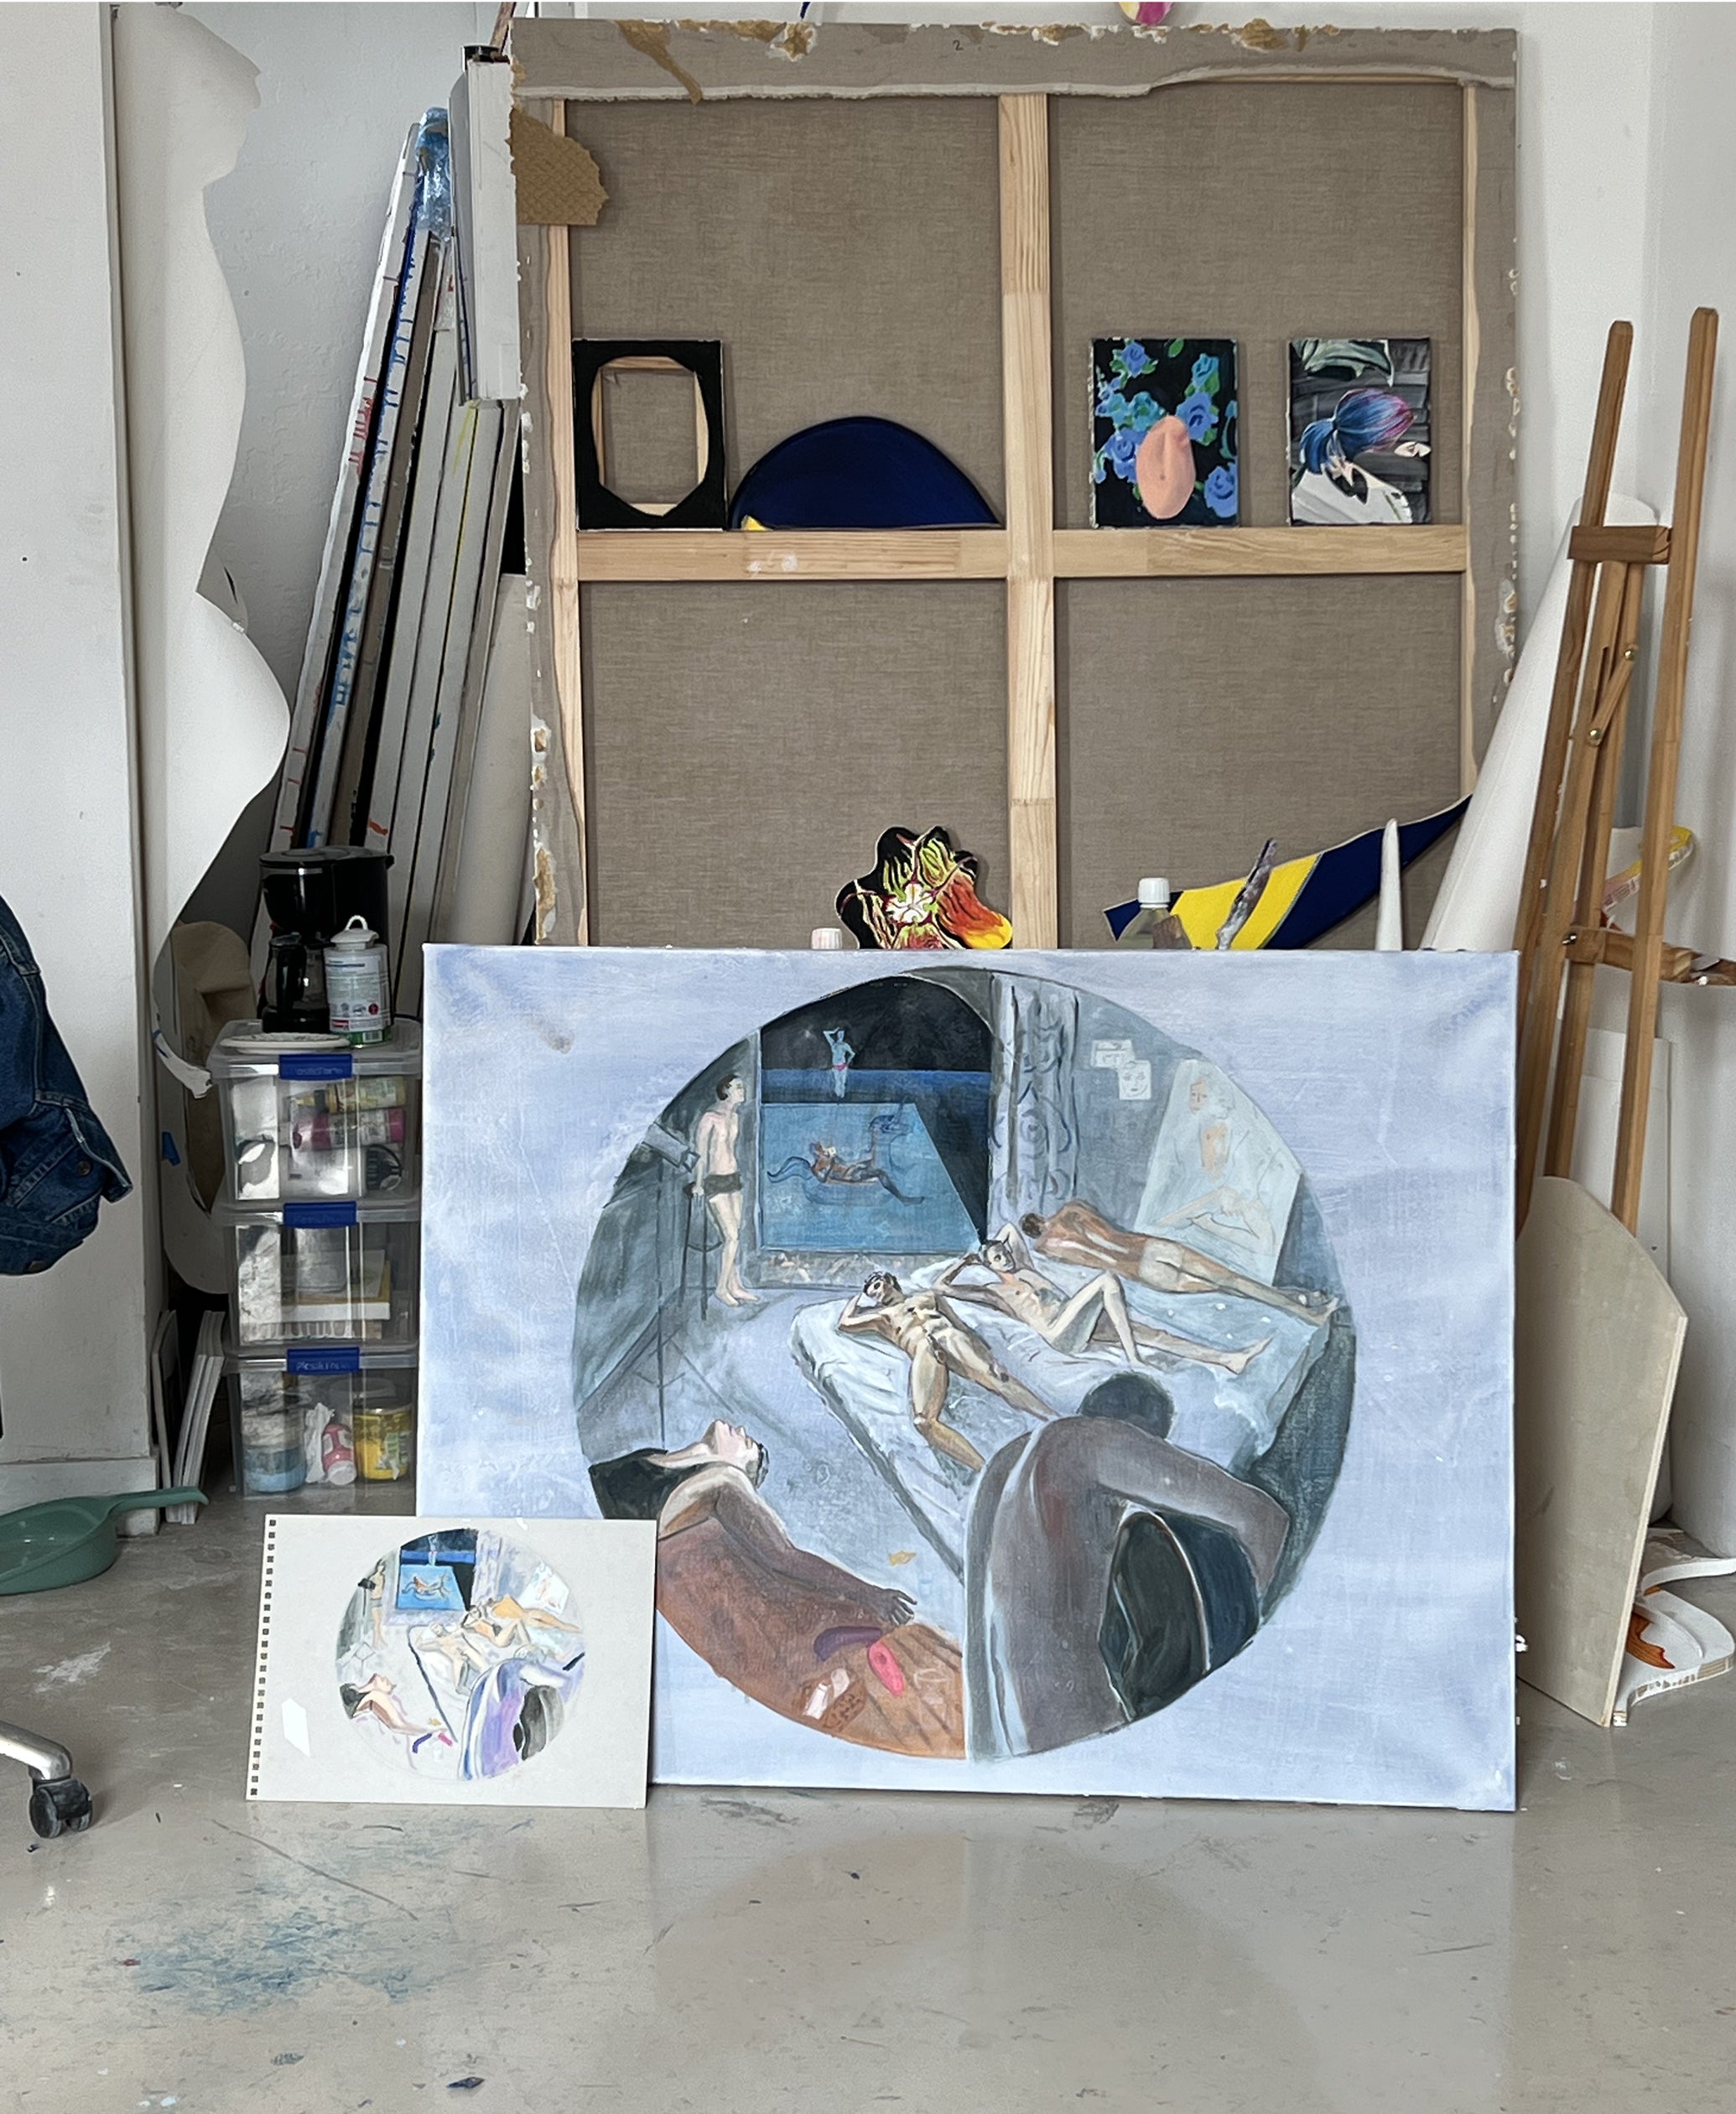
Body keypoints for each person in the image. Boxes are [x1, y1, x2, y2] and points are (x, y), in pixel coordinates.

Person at [590, 1420, 964, 1759]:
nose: (743, 1432)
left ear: (743, 1469)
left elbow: (784, 1558)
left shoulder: (724, 1481)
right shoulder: (644, 1472)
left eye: (750, 1447)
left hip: (792, 1646)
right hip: (771, 1650)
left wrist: (870, 1595)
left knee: (929, 1686)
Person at [969, 1370, 1291, 1756]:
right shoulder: (1090, 1442)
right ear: (1136, 1433)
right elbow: (1263, 1518)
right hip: (1074, 1727)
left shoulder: (1002, 1468)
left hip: (999, 1743)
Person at [938, 1228, 1270, 1377]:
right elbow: (941, 1286)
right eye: (999, 1258)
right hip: (1059, 1333)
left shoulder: (1025, 1267)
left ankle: (1229, 1359)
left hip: (1078, 1321)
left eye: (1005, 1253)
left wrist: (993, 1247)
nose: (1007, 1258)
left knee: (1154, 1334)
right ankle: (1133, 1358)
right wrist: (968, 1262)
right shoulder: (994, 1292)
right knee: (1107, 1281)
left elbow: (1011, 1229)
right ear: (990, 1267)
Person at [836, 1272, 1057, 1474]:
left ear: (889, 1281)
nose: (875, 1293)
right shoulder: (881, 1317)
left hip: (949, 1336)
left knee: (997, 1378)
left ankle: (1053, 1419)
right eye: (870, 1293)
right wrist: (856, 1298)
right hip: (923, 1351)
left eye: (876, 1286)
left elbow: (962, 1327)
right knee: (923, 1422)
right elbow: (844, 1324)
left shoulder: (928, 1296)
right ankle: (986, 1470)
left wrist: (990, 1357)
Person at [1020, 1199, 1332, 1326]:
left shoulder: (1046, 1248)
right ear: (1040, 1215)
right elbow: (1106, 1229)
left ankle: (1299, 1301)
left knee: (1224, 1289)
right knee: (1232, 1280)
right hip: (1150, 1248)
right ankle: (1303, 1307)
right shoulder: (1071, 1211)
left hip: (1143, 1272)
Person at [1290, 384, 1429, 527]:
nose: (1423, 453)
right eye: (1410, 449)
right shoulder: (1388, 505)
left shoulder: (1382, 495)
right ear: (1370, 449)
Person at [690, 1074, 756, 1306]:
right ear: (726, 1090)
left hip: (733, 1179)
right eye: (738, 1087)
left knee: (736, 1234)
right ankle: (721, 1288)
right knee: (731, 1237)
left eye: (742, 1087)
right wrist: (699, 1183)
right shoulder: (709, 1118)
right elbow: (701, 1154)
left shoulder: (735, 1118)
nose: (742, 1090)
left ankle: (734, 1284)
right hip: (714, 1181)